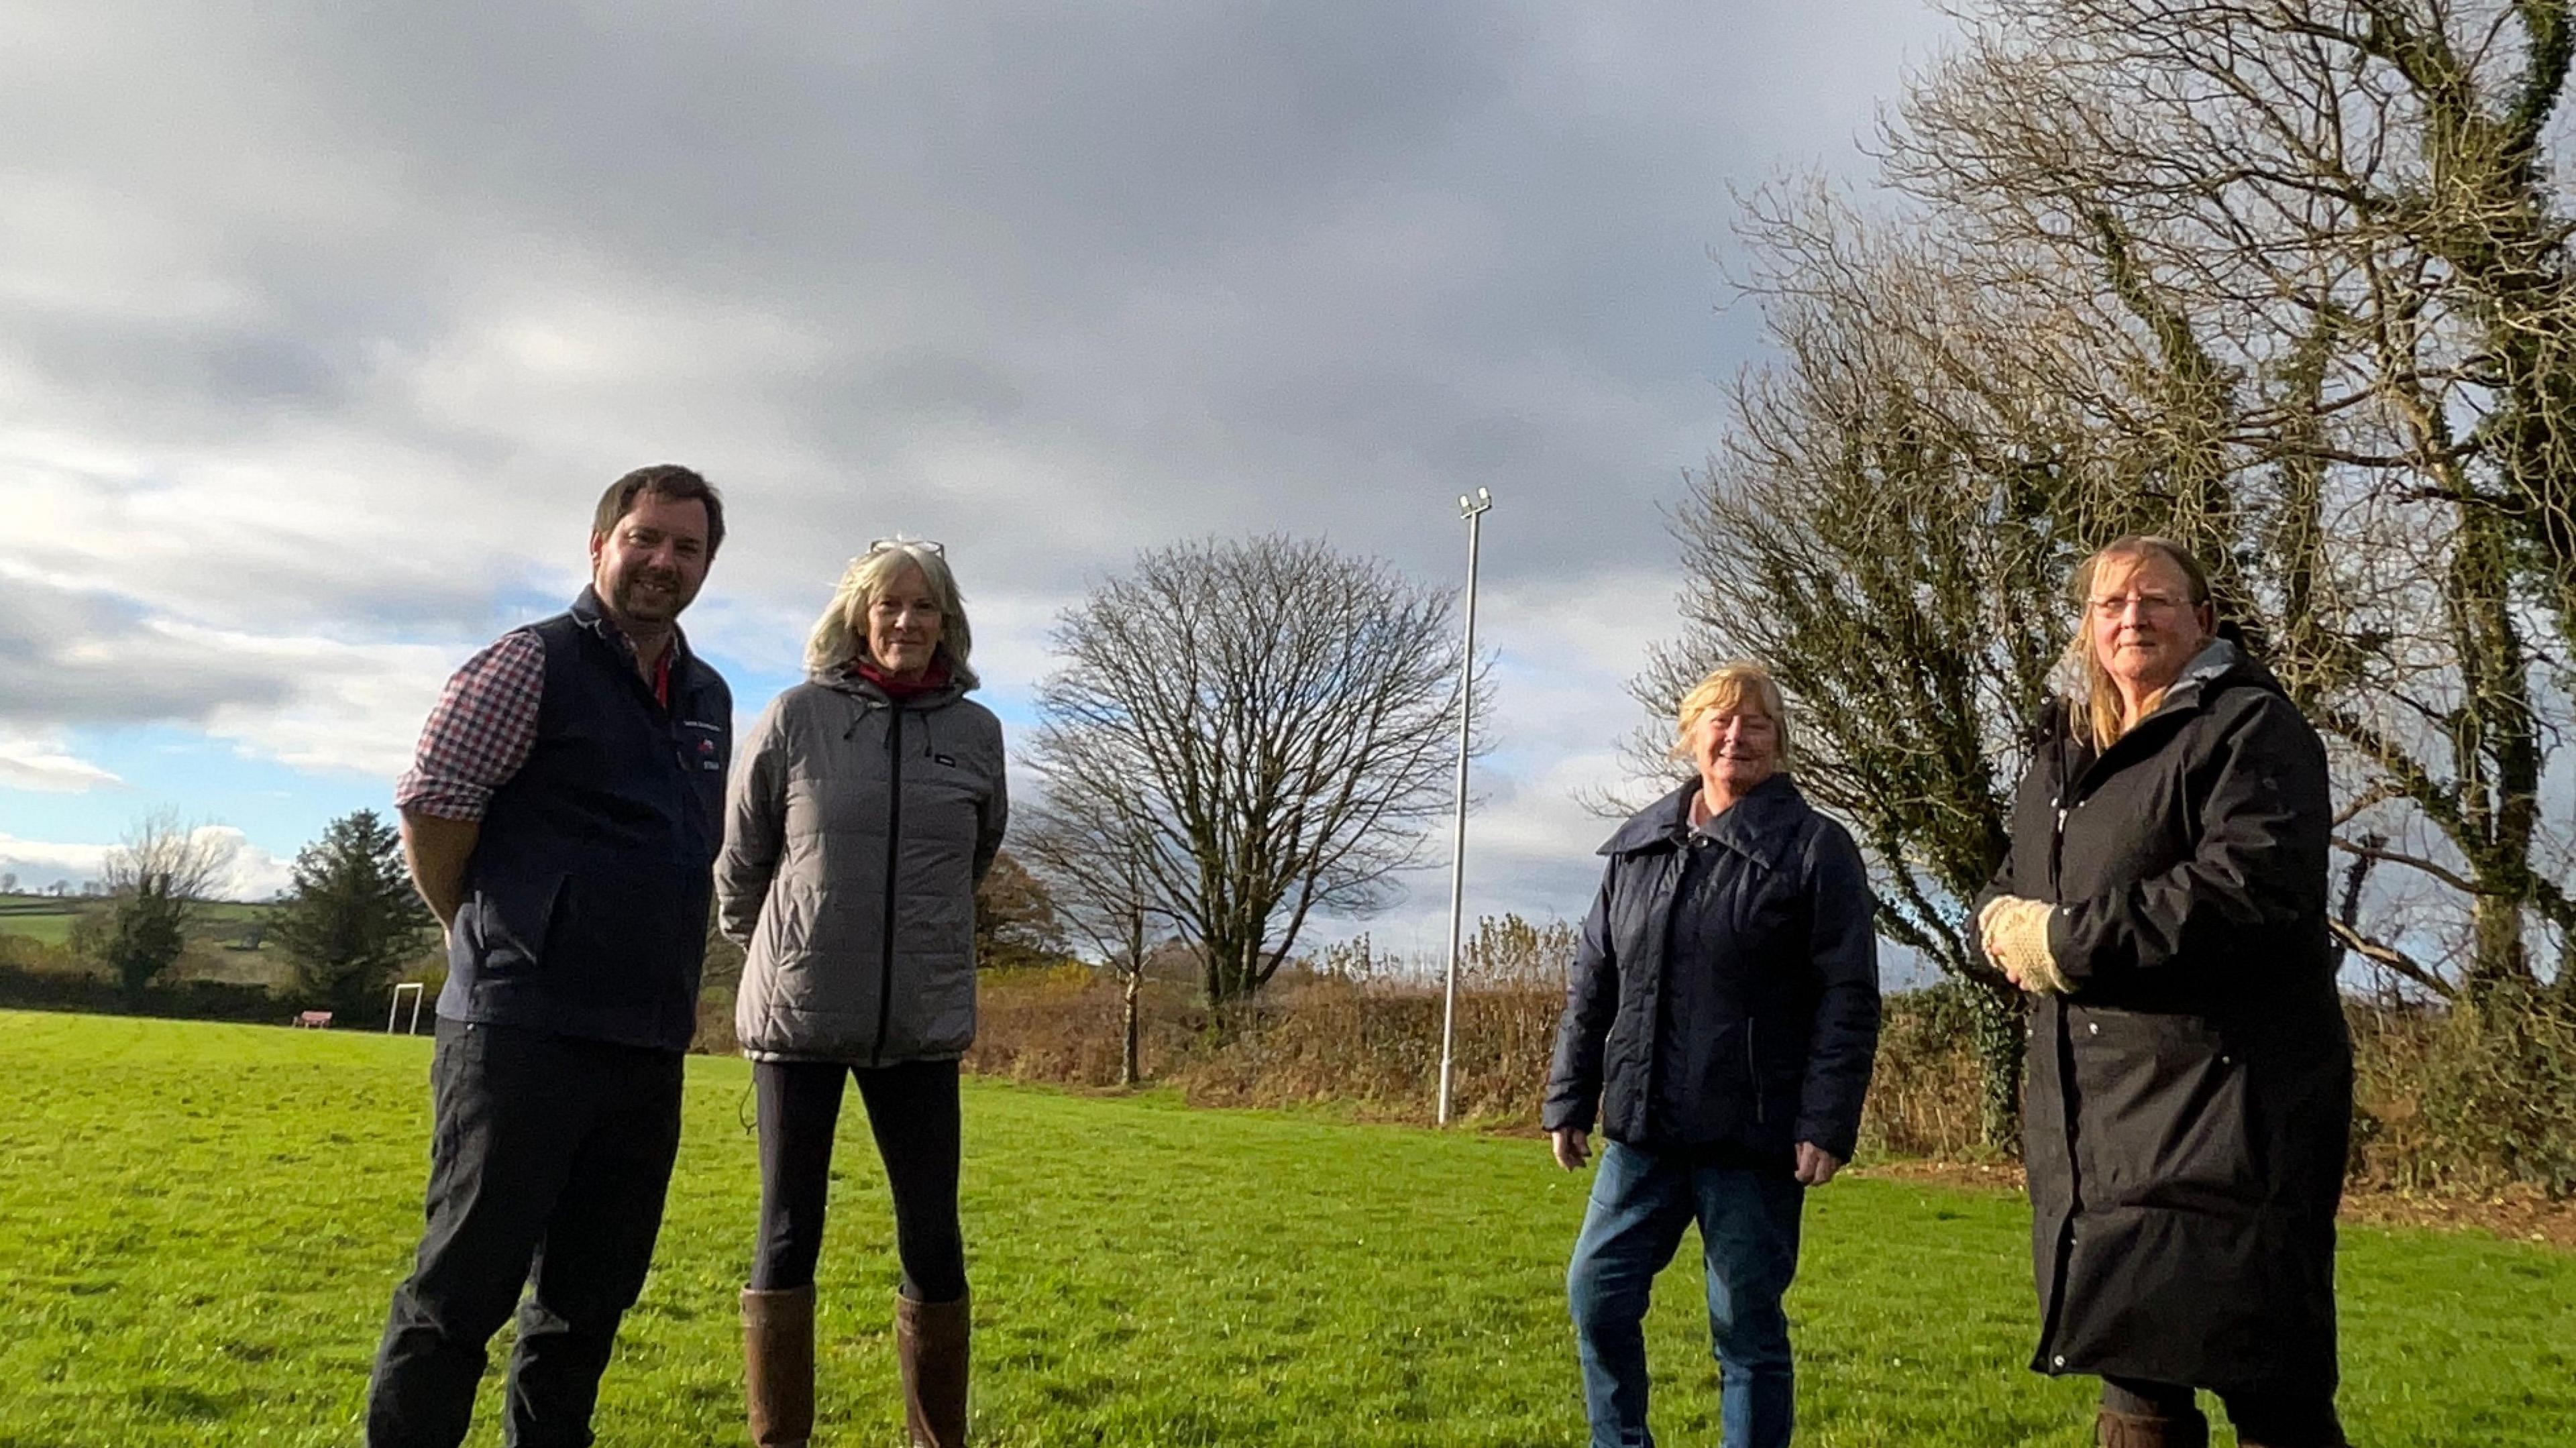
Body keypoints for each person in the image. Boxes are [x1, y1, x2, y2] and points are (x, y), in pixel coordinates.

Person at [368, 465, 733, 1448]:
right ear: (599, 543)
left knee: (585, 1307)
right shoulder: (528, 663)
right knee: (459, 1296)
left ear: (707, 563)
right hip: (518, 1035)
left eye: (686, 547)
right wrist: (488, 931)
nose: (664, 561)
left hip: (645, 1044)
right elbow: (434, 805)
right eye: (645, 538)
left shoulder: (707, 695)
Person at [1977, 535, 2353, 1448]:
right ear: (2088, 627)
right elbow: (2012, 878)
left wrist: (2064, 939)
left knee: (2265, 1380)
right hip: (2100, 1115)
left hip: (2231, 1109)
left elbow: (2246, 891)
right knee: (2136, 1375)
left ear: (2204, 620)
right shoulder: (2066, 753)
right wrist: (1992, 921)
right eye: (2110, 604)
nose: (2131, 618)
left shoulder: (2251, 730)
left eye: (2154, 600)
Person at [1543, 662, 1880, 1448]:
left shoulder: (1817, 848)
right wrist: (1569, 1095)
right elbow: (1594, 977)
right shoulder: (1639, 847)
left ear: (1780, 741)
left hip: (1753, 1137)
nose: (1736, 737)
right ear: (1689, 735)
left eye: (1756, 724)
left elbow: (1849, 996)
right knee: (1596, 1293)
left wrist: (1827, 1119)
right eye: (1720, 722)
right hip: (1644, 1129)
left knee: (1745, 1324)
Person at [716, 538, 1007, 1448]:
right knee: (786, 1232)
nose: (907, 623)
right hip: (798, 1014)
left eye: (925, 608)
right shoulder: (797, 715)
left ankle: (936, 1437)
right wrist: (787, 945)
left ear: (947, 622)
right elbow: (742, 862)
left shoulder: (977, 733)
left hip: (919, 1021)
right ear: (857, 615)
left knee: (934, 1236)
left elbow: (976, 855)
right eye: (890, 606)